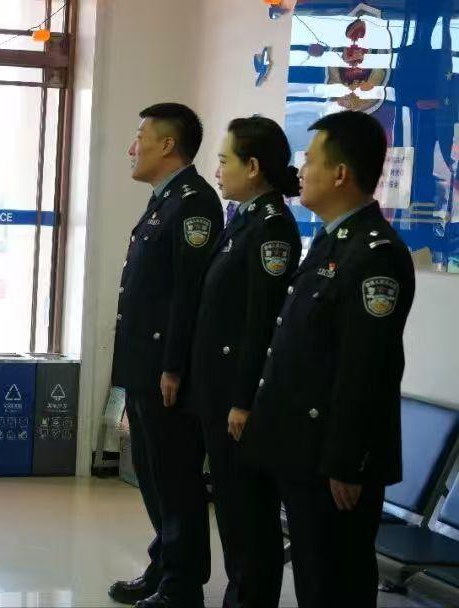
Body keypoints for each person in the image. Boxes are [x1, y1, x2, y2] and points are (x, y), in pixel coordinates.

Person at [240, 111, 415, 608]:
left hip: (333, 460)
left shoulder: (375, 253)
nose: (301, 171)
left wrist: (346, 461)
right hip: (303, 450)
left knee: (334, 584)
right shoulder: (333, 240)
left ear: (340, 173)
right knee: (315, 580)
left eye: (310, 160)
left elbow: (367, 367)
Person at [109, 103, 223, 608]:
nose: (132, 149)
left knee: (176, 479)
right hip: (145, 366)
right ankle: (165, 566)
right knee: (154, 475)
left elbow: (187, 295)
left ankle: (182, 585)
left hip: (165, 371)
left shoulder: (194, 203)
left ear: (168, 145)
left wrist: (174, 366)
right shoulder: (165, 201)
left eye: (141, 137)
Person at [185, 116, 301, 608]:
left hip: (239, 397)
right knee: (232, 510)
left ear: (252, 167)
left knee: (249, 516)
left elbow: (261, 323)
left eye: (224, 160)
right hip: (218, 391)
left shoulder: (272, 229)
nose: (217, 171)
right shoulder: (244, 219)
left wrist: (242, 399)